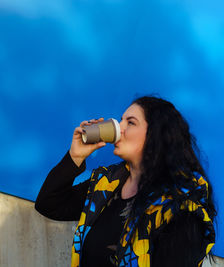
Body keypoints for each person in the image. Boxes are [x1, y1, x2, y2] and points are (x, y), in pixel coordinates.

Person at [35, 96, 216, 267]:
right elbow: (49, 204)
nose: (119, 128)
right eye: (121, 120)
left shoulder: (181, 206)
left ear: (157, 135)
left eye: (130, 122)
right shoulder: (107, 183)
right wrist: (75, 156)